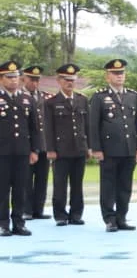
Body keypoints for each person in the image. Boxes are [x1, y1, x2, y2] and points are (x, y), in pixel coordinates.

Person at [88, 58, 137, 232]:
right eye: (115, 73)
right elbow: (93, 125)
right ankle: (110, 219)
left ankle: (121, 218)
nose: (119, 76)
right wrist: (96, 148)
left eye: (122, 73)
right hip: (109, 150)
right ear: (108, 76)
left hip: (128, 148)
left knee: (125, 186)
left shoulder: (132, 96)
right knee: (108, 186)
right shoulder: (99, 97)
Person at [43, 63, 89, 226]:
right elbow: (48, 128)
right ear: (59, 80)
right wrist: (50, 149)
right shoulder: (51, 102)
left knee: (77, 185)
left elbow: (87, 125)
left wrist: (89, 146)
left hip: (79, 149)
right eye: (66, 79)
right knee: (60, 185)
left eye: (72, 79)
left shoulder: (82, 100)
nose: (70, 83)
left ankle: (76, 214)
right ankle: (60, 215)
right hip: (60, 150)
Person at [0, 59, 42, 236]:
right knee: (2, 189)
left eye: (16, 77)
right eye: (9, 77)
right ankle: (3, 224)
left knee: (20, 189)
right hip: (2, 153)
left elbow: (34, 128)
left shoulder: (26, 99)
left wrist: (35, 150)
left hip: (22, 152)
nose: (13, 80)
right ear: (1, 79)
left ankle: (19, 223)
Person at [21, 66, 50, 220]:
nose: (35, 83)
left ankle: (38, 209)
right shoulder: (20, 97)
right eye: (31, 79)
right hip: (27, 145)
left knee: (42, 179)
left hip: (44, 144)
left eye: (37, 80)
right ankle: (26, 210)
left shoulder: (46, 97)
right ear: (23, 79)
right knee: (26, 179)